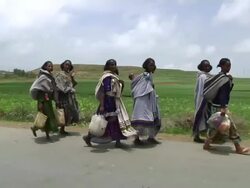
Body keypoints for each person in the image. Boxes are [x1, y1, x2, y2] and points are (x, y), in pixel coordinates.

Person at [82, 59, 137, 148]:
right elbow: (104, 91)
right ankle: (89, 137)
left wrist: (121, 84)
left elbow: (117, 92)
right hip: (107, 102)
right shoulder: (106, 77)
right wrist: (102, 105)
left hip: (115, 101)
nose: (113, 66)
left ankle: (118, 141)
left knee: (117, 121)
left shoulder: (114, 77)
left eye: (115, 64)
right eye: (111, 65)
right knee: (103, 121)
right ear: (107, 66)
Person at [203, 58, 249, 154]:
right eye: (227, 65)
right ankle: (238, 148)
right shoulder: (224, 79)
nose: (229, 67)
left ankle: (206, 144)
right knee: (232, 126)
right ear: (222, 66)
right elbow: (223, 94)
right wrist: (223, 108)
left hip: (214, 106)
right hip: (220, 107)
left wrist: (230, 82)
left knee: (214, 126)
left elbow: (224, 92)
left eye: (230, 65)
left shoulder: (220, 77)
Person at [130, 58, 161, 145]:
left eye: (153, 65)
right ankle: (137, 138)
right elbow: (139, 87)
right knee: (141, 119)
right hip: (142, 100)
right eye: (150, 65)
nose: (152, 66)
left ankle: (151, 137)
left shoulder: (148, 75)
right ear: (146, 65)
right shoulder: (145, 76)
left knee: (154, 118)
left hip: (150, 100)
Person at [30, 61, 58, 139]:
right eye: (49, 66)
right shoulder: (43, 77)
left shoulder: (50, 76)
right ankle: (36, 128)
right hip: (42, 100)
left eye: (51, 66)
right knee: (43, 117)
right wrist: (40, 103)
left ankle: (46, 134)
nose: (51, 67)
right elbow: (39, 89)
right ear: (45, 67)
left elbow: (52, 88)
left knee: (48, 117)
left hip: (48, 100)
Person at [55, 60, 80, 135]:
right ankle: (59, 128)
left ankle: (62, 129)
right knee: (63, 112)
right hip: (62, 96)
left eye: (69, 65)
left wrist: (72, 78)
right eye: (66, 64)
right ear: (63, 65)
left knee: (68, 113)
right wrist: (70, 89)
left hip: (69, 96)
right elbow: (61, 87)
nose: (67, 66)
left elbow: (73, 85)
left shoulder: (69, 75)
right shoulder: (59, 75)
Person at [192, 60, 212, 143]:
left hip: (201, 99)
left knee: (201, 117)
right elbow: (203, 89)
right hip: (202, 99)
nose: (207, 67)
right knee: (202, 117)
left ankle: (198, 135)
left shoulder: (205, 76)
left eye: (208, 66)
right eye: (205, 66)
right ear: (202, 67)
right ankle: (198, 136)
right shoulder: (203, 77)